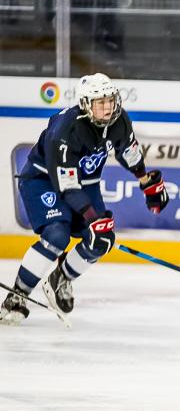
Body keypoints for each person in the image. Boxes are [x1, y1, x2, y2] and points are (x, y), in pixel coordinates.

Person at [0, 73, 169, 325]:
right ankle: (17, 295)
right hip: (43, 180)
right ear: (85, 104)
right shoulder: (65, 130)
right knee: (58, 234)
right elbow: (66, 186)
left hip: (84, 183)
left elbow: (128, 151)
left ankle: (61, 278)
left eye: (110, 100)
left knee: (102, 239)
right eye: (100, 102)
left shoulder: (119, 120)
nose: (108, 107)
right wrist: (91, 218)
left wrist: (145, 181)